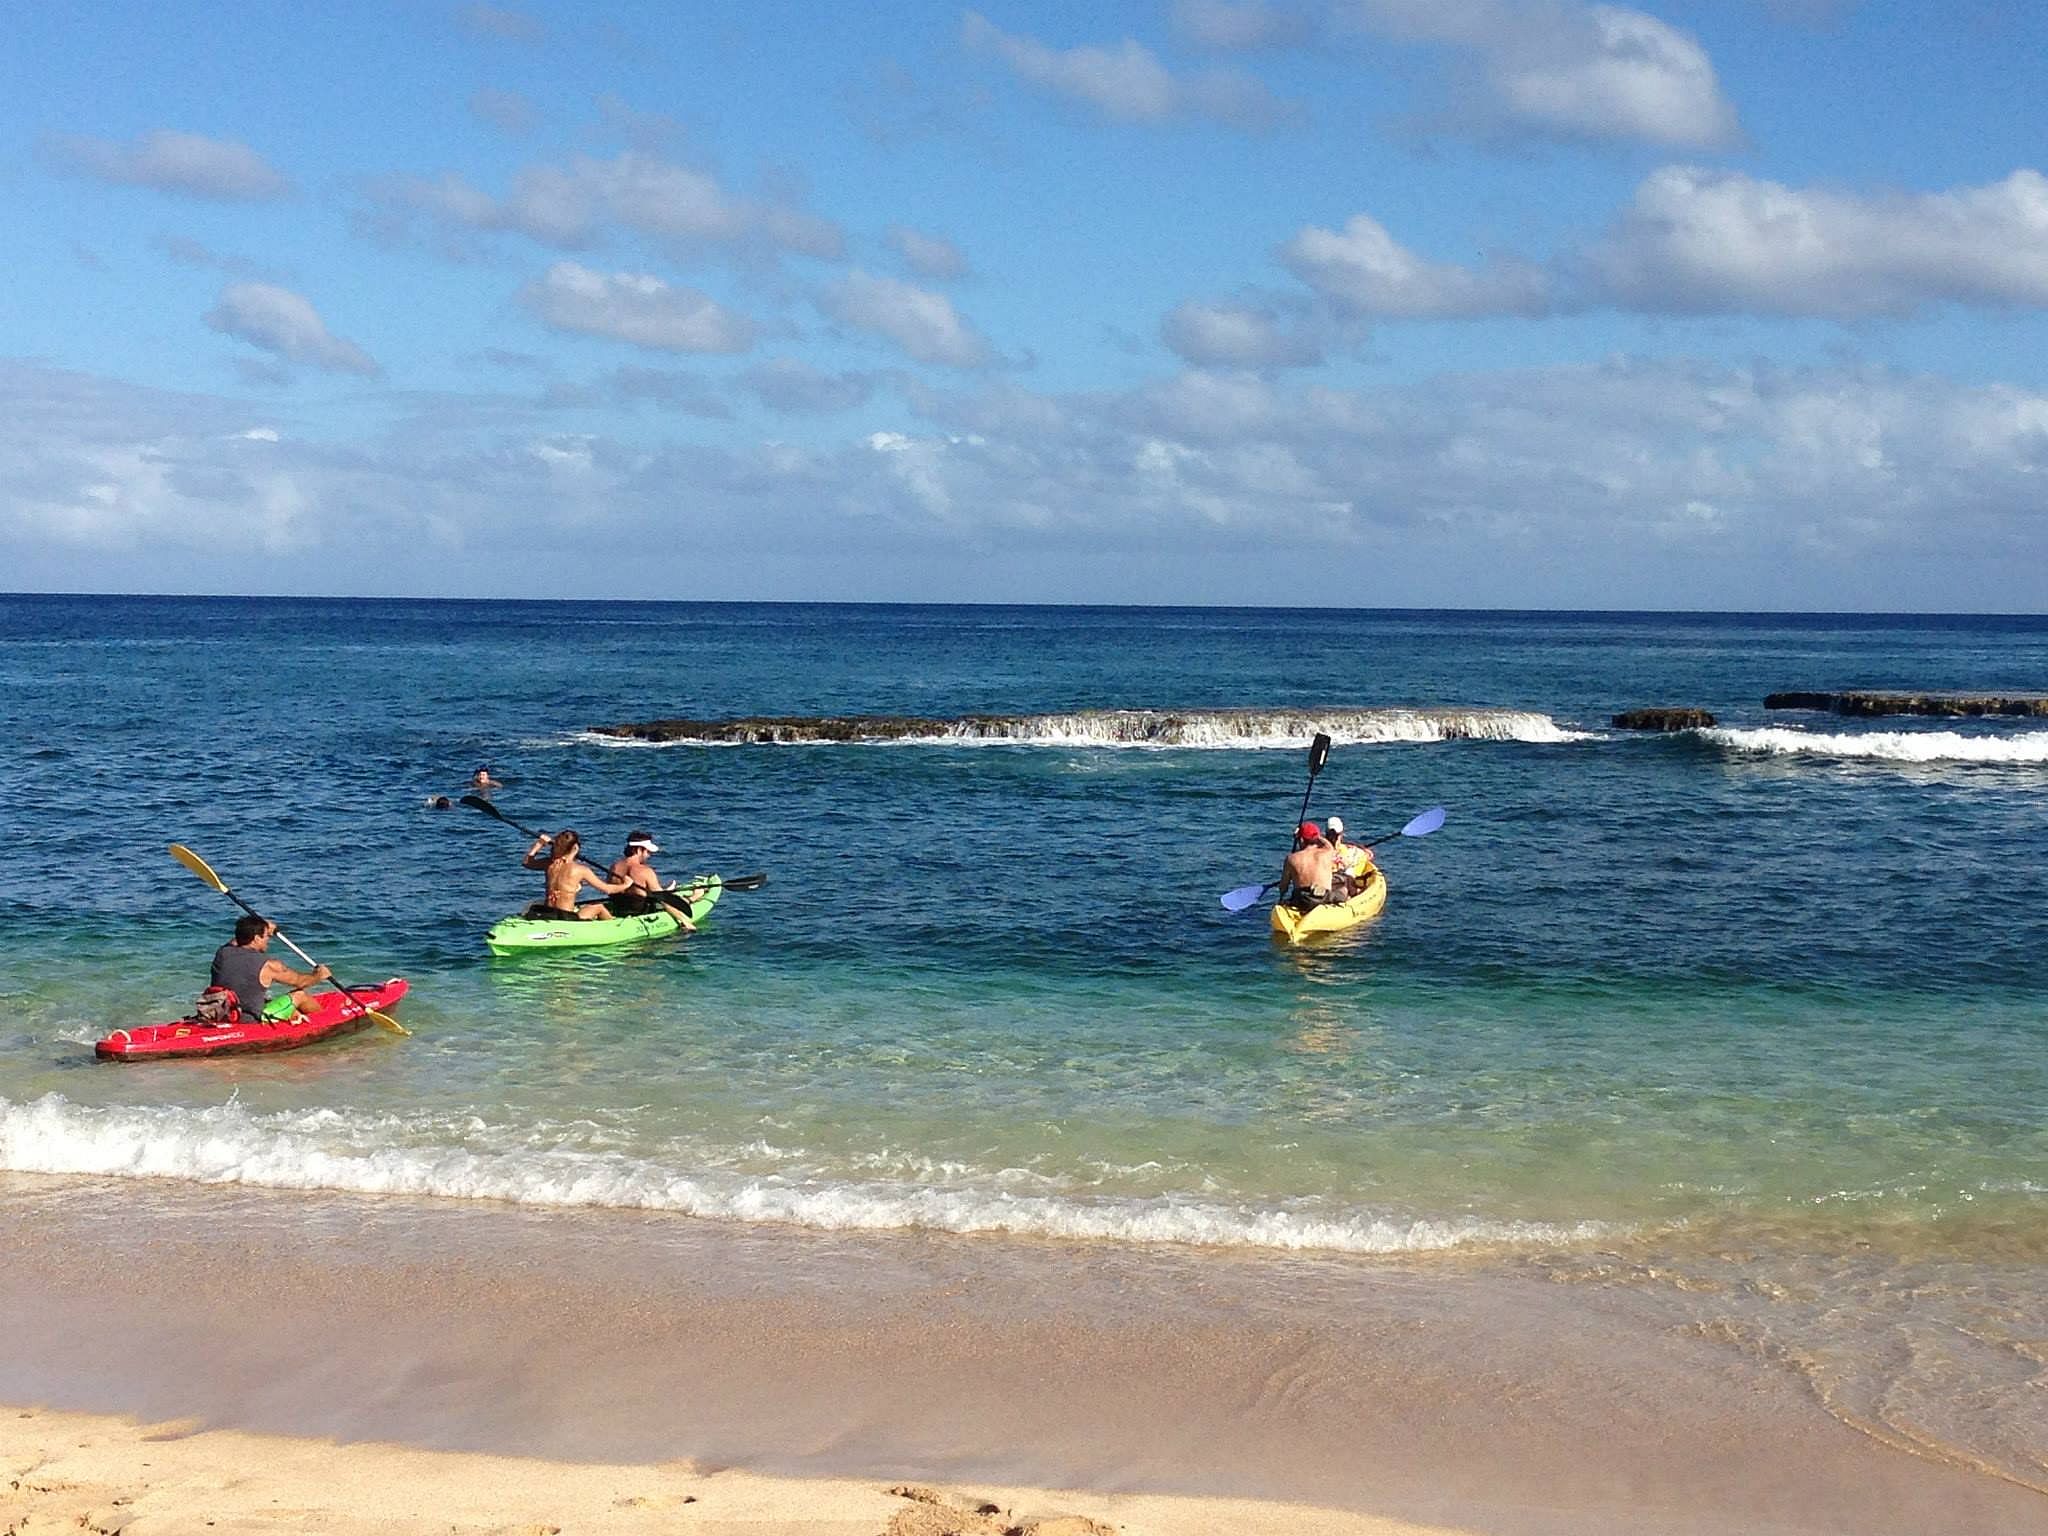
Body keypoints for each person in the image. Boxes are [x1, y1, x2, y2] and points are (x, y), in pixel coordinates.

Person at [209, 913, 330, 1023]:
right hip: (251, 1020)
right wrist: (318, 975)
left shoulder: (223, 952)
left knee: (271, 1000)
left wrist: (263, 926)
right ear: (256, 938)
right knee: (300, 995)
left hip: (221, 1013)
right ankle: (326, 1020)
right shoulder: (269, 965)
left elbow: (239, 938)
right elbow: (301, 982)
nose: (268, 939)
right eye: (267, 936)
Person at [522, 829, 633, 919]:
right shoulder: (580, 870)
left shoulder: (549, 864)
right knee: (598, 907)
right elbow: (607, 889)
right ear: (575, 848)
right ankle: (614, 927)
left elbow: (527, 863)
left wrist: (539, 844)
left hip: (549, 912)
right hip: (565, 916)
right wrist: (626, 885)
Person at [606, 831, 701, 930]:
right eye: (648, 852)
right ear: (638, 850)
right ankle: (693, 897)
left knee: (656, 893)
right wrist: (685, 921)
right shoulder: (645, 871)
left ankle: (667, 891)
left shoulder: (614, 867)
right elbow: (663, 901)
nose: (649, 855)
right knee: (668, 898)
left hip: (619, 910)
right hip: (641, 912)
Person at [1276, 822, 1338, 913]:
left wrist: (1281, 898)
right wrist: (1317, 836)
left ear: (1301, 839)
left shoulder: (1291, 858)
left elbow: (1283, 887)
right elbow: (1328, 844)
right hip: (1324, 899)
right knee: (1342, 891)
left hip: (1301, 901)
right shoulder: (1327, 852)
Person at [1325, 816, 1375, 899]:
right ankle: (1353, 891)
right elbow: (1368, 855)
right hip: (1339, 882)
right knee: (1351, 869)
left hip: (1325, 881)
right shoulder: (1349, 853)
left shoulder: (1318, 849)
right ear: (1341, 833)